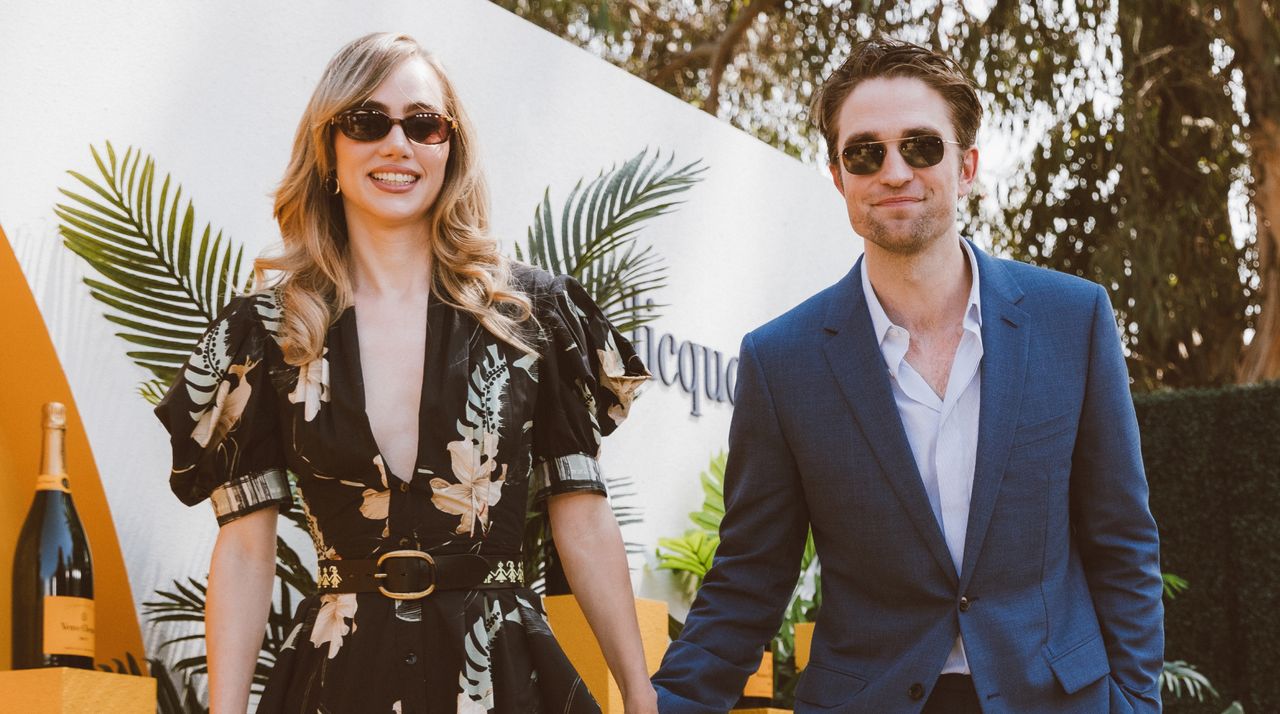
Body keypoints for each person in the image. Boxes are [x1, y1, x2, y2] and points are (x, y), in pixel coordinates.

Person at [652, 38, 1163, 713]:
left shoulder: (1073, 321)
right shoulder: (782, 362)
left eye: (921, 147)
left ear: (967, 166)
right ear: (837, 176)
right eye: (865, 153)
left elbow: (1122, 541)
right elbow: (750, 576)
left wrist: (1135, 703)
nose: (894, 171)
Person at [155, 32, 658, 714]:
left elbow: (584, 516)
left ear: (451, 150)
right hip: (338, 681)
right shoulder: (265, 333)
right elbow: (246, 551)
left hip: (502, 676)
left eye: (424, 124)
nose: (398, 144)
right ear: (329, 150)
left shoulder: (534, 315)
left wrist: (639, 694)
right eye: (367, 122)